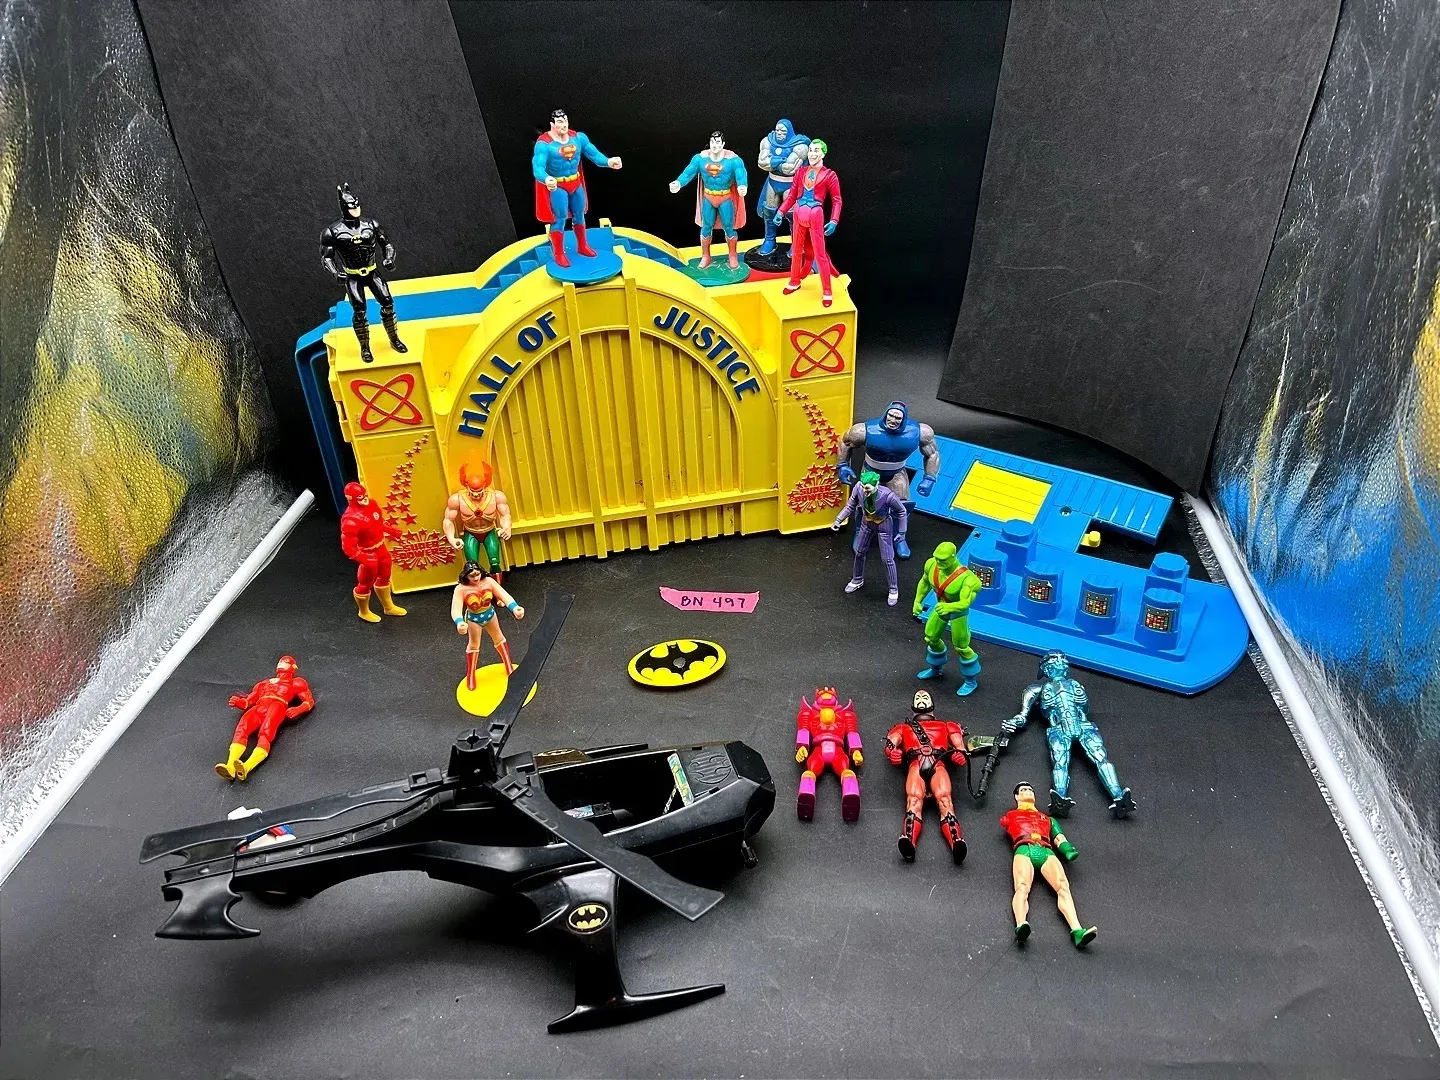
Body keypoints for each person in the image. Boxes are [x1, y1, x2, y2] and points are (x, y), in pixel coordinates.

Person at [1000, 782, 1097, 947]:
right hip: (1024, 848)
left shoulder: (1048, 819)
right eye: (1023, 790)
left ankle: (1077, 931)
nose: (1028, 791)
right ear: (1016, 796)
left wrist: (1067, 850)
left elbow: (1059, 838)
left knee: (1063, 886)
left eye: (1030, 789)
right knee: (1022, 887)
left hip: (1046, 850)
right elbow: (1004, 823)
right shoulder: (1011, 816)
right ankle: (1020, 925)